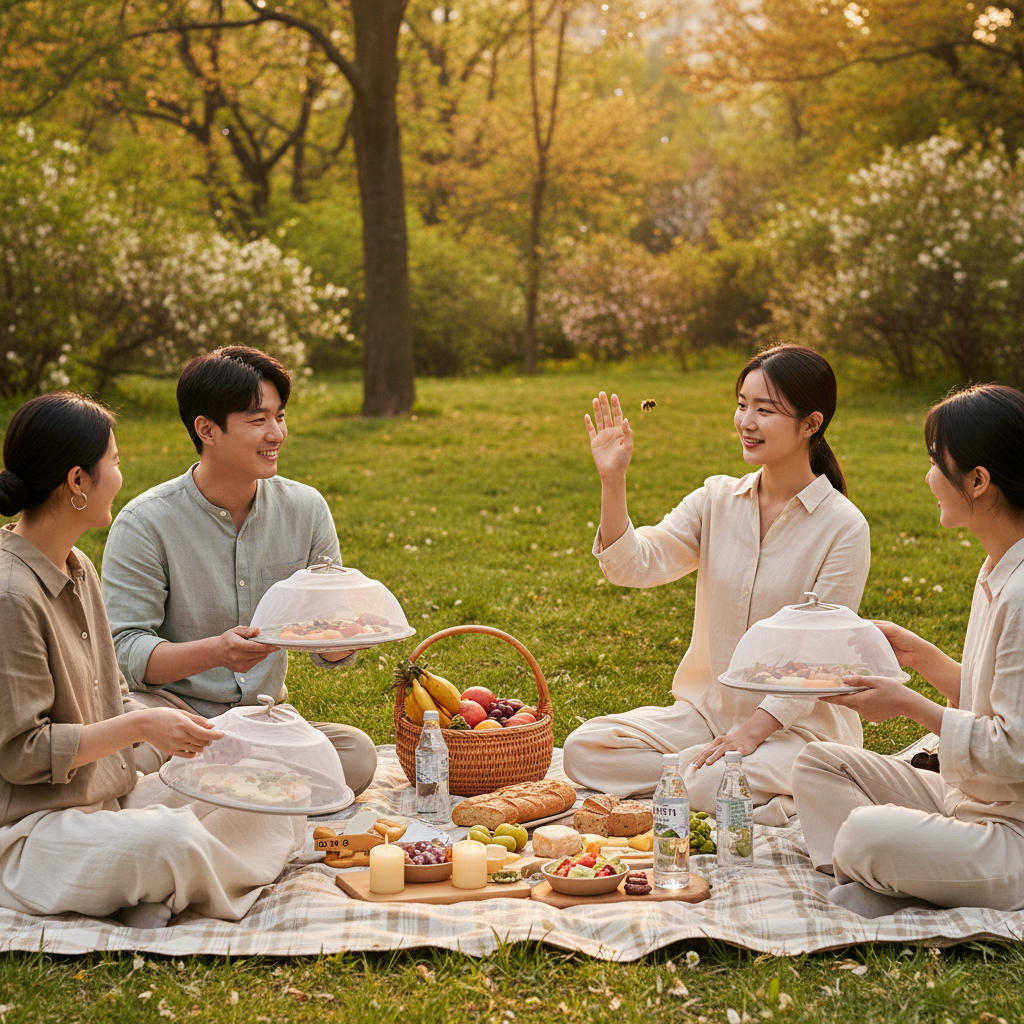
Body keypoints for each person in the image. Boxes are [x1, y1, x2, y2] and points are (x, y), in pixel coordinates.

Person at [0, 392, 304, 928]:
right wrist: (142, 723)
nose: (121, 473)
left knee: (269, 794)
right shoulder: (11, 596)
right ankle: (161, 884)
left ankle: (149, 893)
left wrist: (179, 733)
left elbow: (110, 690)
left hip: (105, 802)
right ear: (77, 481)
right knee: (174, 839)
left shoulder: (75, 567)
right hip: (31, 832)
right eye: (113, 462)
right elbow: (22, 754)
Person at [561, 345, 871, 825]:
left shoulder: (843, 528)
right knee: (585, 749)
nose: (746, 420)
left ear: (811, 423)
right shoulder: (716, 499)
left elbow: (818, 660)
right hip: (705, 718)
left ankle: (739, 782)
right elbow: (634, 566)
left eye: (764, 410)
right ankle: (750, 793)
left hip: (797, 731)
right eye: (742, 404)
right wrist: (612, 480)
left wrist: (750, 735)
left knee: (716, 779)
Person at [792, 383, 1024, 917]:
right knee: (817, 765)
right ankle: (900, 876)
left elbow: (1013, 749)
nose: (927, 477)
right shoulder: (997, 567)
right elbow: (997, 699)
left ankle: (887, 872)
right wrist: (920, 655)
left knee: (868, 835)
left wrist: (907, 704)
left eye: (935, 462)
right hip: (967, 801)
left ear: (979, 481)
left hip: (1010, 833)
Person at [100, 346, 376, 792]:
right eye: (257, 420)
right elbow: (125, 653)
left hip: (262, 718)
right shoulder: (145, 523)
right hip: (172, 711)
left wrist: (342, 641)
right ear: (206, 429)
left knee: (357, 757)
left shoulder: (306, 509)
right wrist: (215, 652)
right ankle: (246, 783)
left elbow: (331, 640)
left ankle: (221, 781)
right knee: (126, 760)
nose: (277, 434)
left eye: (280, 416)